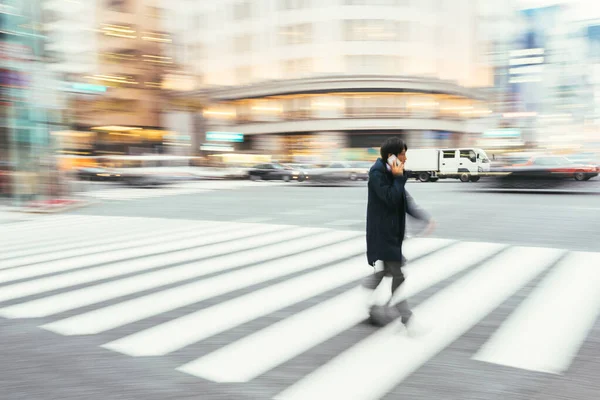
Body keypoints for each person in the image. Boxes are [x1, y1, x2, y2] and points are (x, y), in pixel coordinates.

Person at [363, 137, 435, 332]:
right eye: (402, 153)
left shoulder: (392, 173)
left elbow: (404, 200)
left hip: (393, 233)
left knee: (389, 272)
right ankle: (406, 317)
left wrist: (424, 218)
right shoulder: (377, 174)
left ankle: (371, 301)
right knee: (397, 274)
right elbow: (391, 198)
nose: (405, 157)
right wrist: (398, 177)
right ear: (391, 156)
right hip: (383, 234)